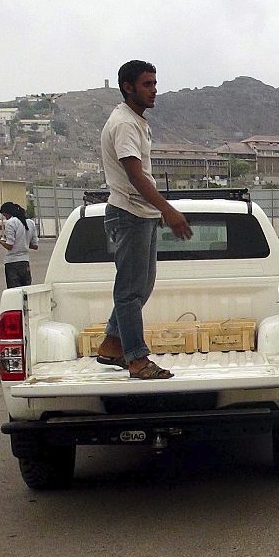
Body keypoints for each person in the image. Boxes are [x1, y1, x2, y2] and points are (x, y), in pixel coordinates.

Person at [96, 59, 194, 380]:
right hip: (129, 214)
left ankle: (112, 343)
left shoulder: (136, 121)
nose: (154, 90)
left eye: (154, 83)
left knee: (142, 286)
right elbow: (136, 176)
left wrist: (158, 211)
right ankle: (136, 359)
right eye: (147, 84)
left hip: (142, 214)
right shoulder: (124, 124)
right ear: (128, 87)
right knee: (129, 291)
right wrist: (168, 209)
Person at [0, 202, 38, 288]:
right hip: (25, 262)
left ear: (8, 213)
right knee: (26, 290)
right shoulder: (31, 223)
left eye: (5, 215)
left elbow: (9, 246)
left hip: (12, 263)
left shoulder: (11, 222)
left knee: (14, 292)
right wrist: (23, 242)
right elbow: (35, 246)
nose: (5, 218)